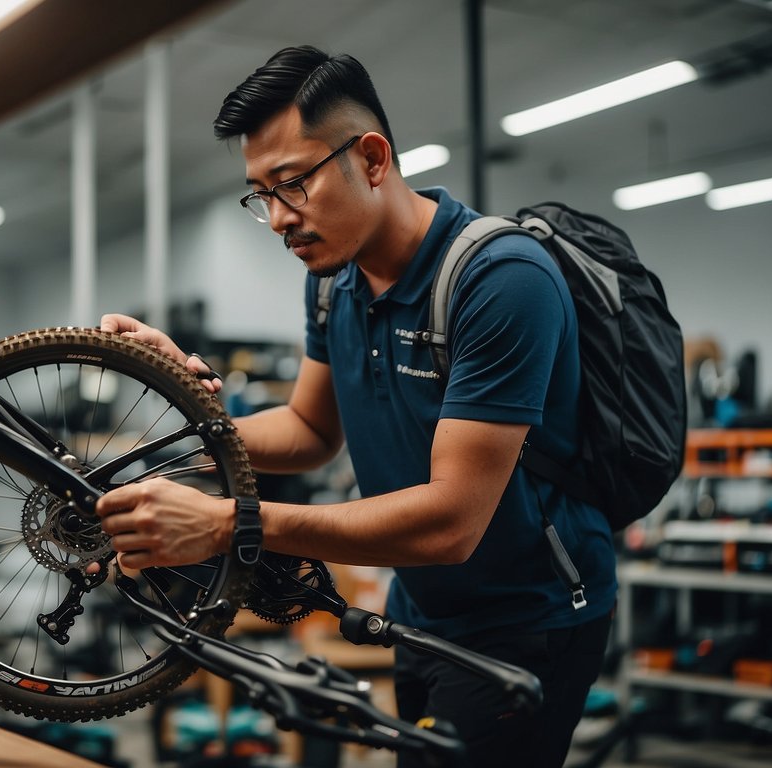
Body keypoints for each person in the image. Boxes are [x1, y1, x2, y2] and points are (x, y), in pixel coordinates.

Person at [97, 45, 615, 768]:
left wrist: (230, 524)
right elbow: (310, 431)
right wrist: (184, 416)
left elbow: (451, 524)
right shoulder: (333, 284)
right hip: (418, 612)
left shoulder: (500, 281)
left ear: (372, 158)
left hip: (525, 624)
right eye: (260, 194)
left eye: (292, 184)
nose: (277, 218)